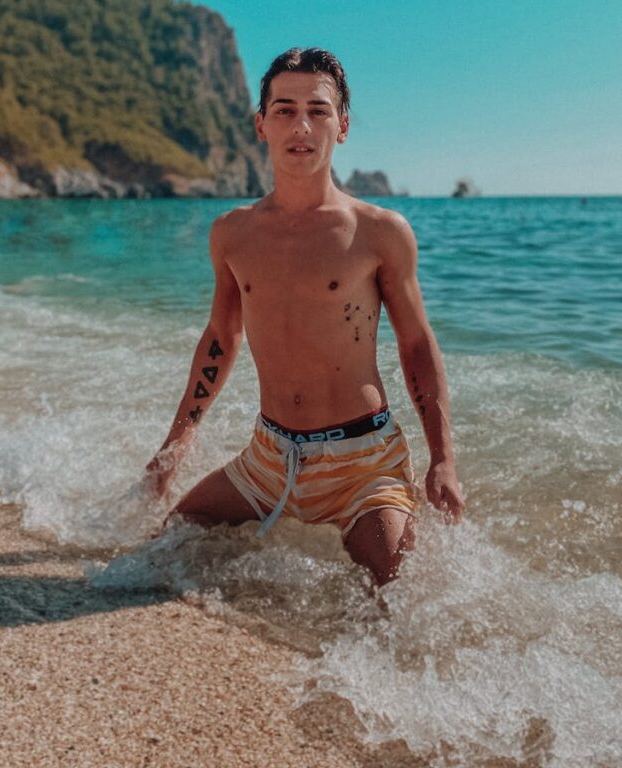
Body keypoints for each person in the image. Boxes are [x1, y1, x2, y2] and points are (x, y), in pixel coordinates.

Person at [145, 47, 464, 586]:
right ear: (261, 124)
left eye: (318, 110)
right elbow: (222, 339)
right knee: (168, 545)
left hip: (364, 462)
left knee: (395, 592)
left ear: (341, 127)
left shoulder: (379, 231)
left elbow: (416, 345)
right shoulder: (232, 233)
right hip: (268, 458)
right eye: (284, 109)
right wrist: (174, 448)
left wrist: (443, 460)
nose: (301, 125)